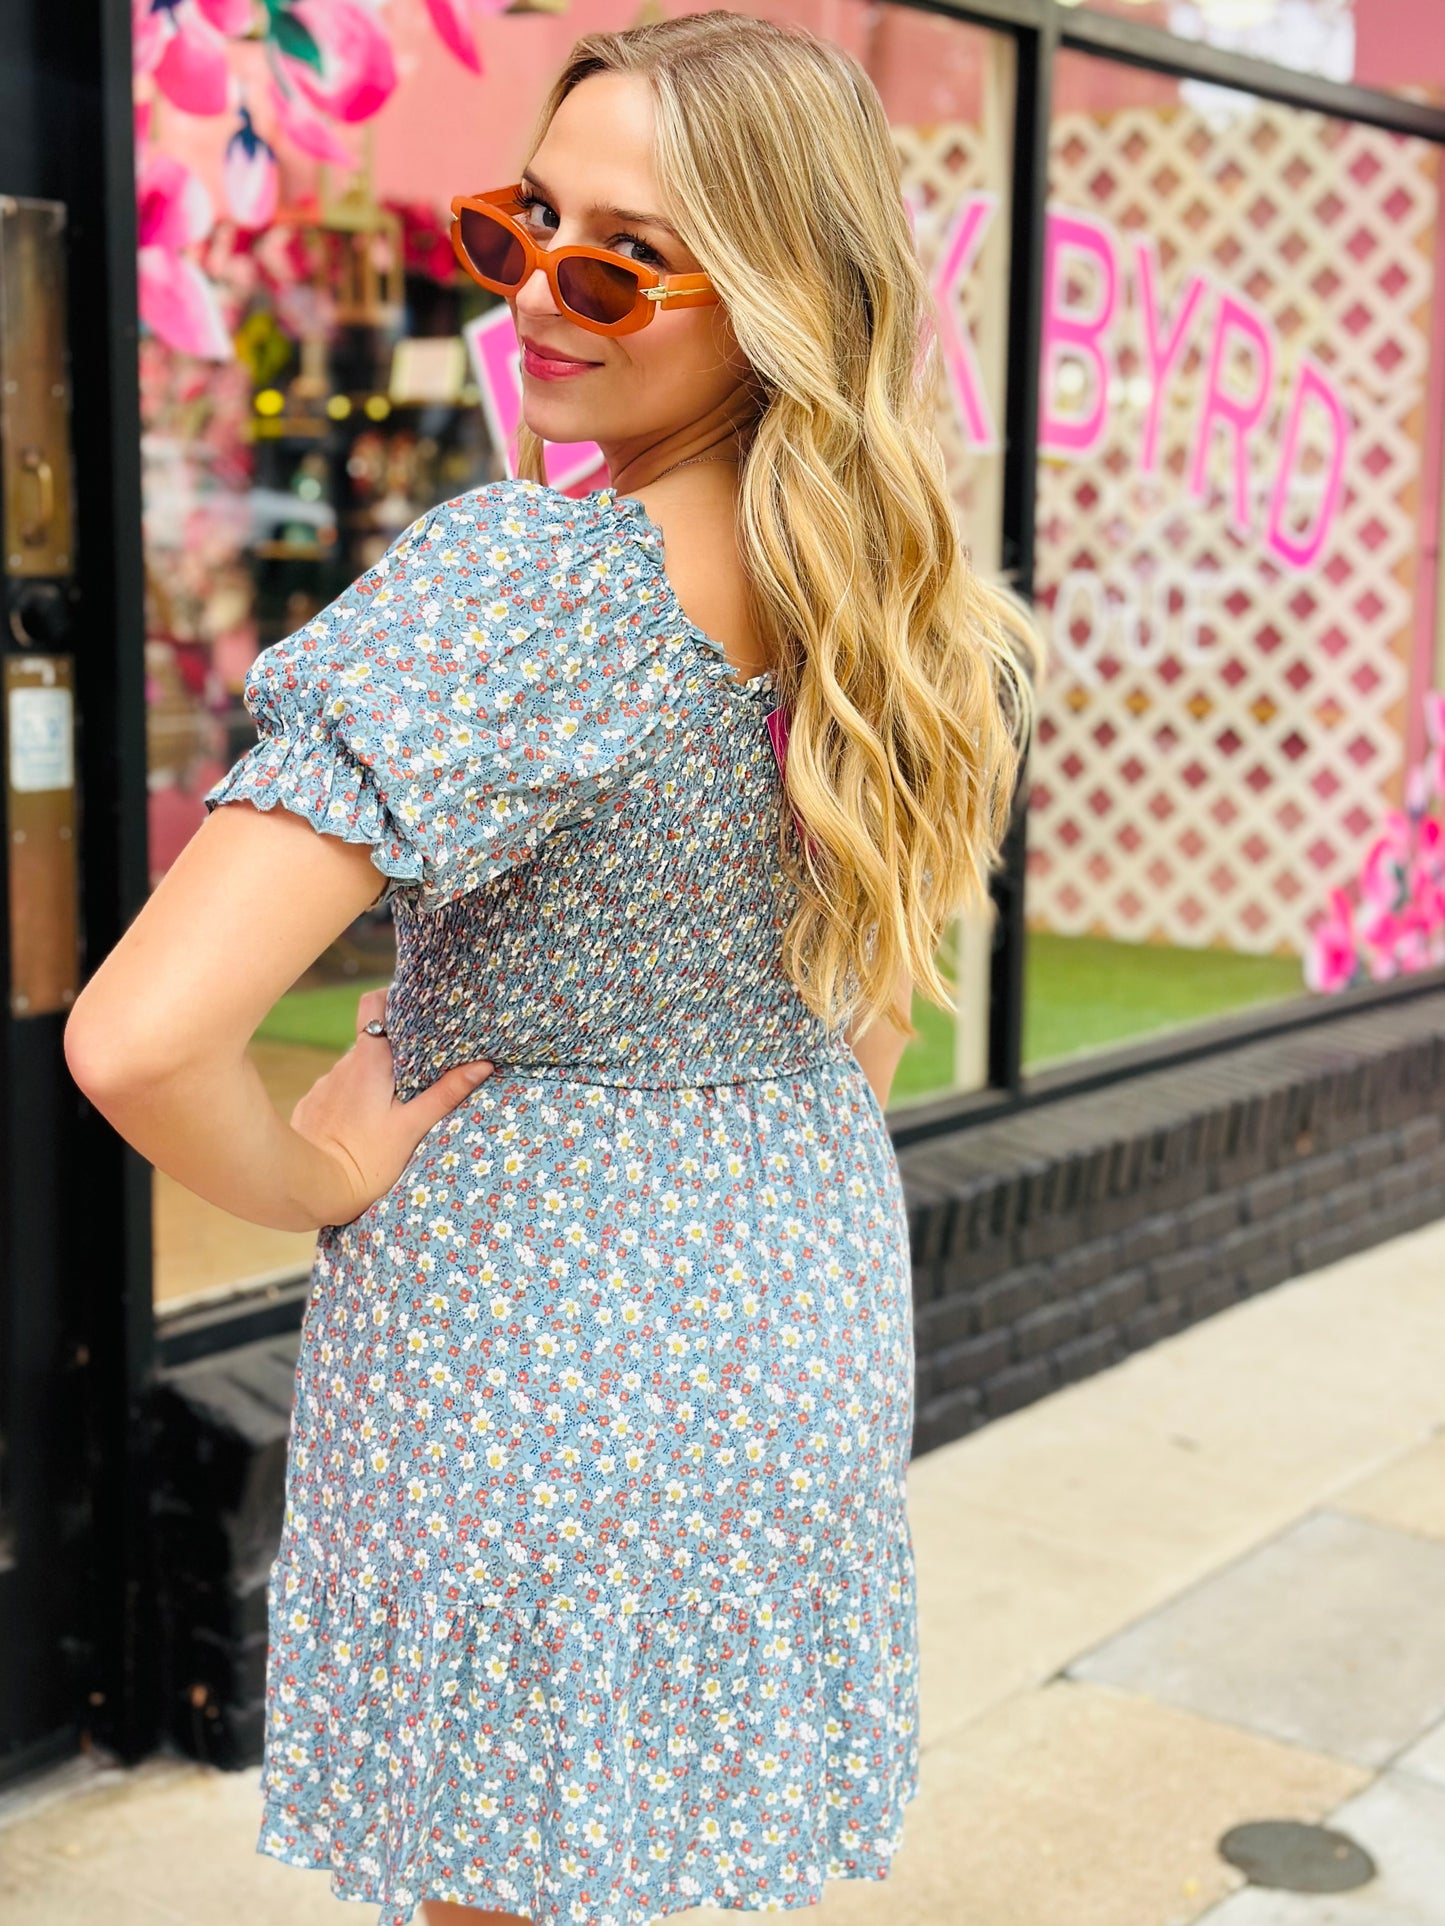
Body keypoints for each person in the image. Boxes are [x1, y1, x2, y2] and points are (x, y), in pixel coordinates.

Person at [66, 12, 1038, 1923]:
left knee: (509, 1877)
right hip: (790, 1297)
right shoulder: (888, 598)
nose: (538, 296)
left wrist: (311, 1170)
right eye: (523, 227)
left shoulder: (533, 582)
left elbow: (138, 1036)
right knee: (657, 1853)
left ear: (776, 291)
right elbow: (856, 1015)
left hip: (530, 1343)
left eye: (618, 260)